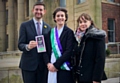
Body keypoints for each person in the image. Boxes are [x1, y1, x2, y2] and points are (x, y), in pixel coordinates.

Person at [18, 1, 51, 83]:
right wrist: (28, 47)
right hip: (28, 66)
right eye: (36, 9)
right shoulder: (24, 26)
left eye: (41, 10)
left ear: (44, 12)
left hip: (43, 67)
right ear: (33, 10)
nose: (38, 12)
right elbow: (20, 45)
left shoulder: (48, 28)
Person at [43, 7, 75, 83]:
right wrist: (48, 63)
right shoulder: (50, 33)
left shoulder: (69, 32)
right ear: (54, 18)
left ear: (65, 18)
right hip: (50, 65)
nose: (60, 18)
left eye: (62, 16)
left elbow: (68, 51)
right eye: (58, 16)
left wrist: (56, 65)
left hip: (63, 66)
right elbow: (45, 50)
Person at [73, 13, 107, 83]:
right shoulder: (77, 38)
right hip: (79, 77)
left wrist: (96, 79)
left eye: (85, 21)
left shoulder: (97, 36)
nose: (82, 24)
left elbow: (100, 58)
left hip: (91, 77)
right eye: (80, 22)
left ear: (90, 22)